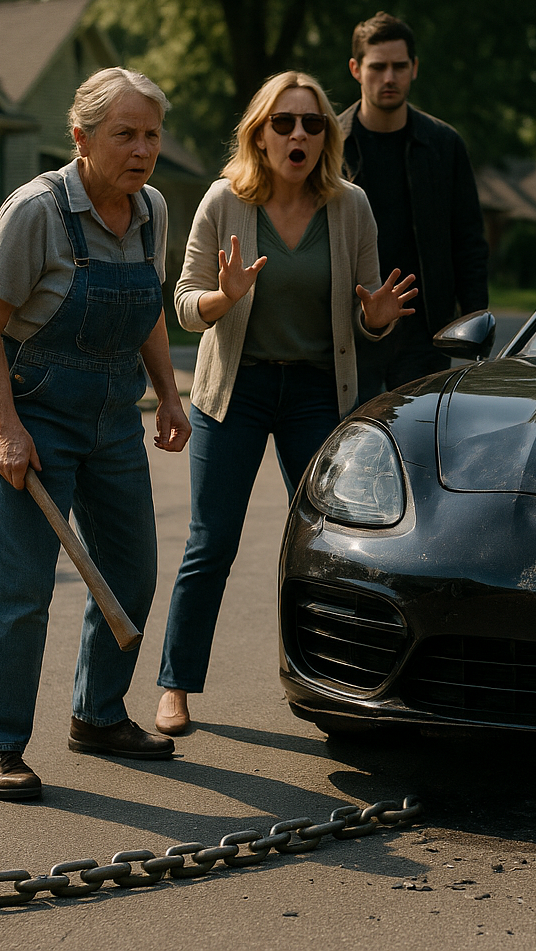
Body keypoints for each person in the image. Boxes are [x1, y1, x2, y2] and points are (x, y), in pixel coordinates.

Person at [154, 70, 416, 736]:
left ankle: (343, 684)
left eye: (312, 123)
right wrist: (224, 297)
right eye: (284, 122)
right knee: (212, 542)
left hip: (315, 394)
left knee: (334, 545)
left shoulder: (350, 207)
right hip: (234, 391)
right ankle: (176, 686)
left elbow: (364, 314)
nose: (298, 133)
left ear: (325, 137)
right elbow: (184, 305)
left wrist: (377, 318)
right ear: (260, 134)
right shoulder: (223, 201)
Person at [0, 67, 191, 800]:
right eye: (125, 134)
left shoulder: (152, 209)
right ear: (81, 138)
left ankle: (98, 715)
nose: (142, 150)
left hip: (113, 414)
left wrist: (168, 394)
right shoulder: (37, 212)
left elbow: (148, 310)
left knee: (131, 570)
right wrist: (6, 428)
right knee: (21, 586)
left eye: (151, 134)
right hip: (31, 411)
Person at [339, 11, 489, 403]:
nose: (389, 77)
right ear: (356, 69)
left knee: (421, 439)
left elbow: (469, 241)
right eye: (378, 67)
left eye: (399, 66)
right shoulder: (330, 145)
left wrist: (476, 328)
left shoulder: (444, 145)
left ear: (415, 68)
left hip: (426, 335)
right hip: (347, 334)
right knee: (350, 439)